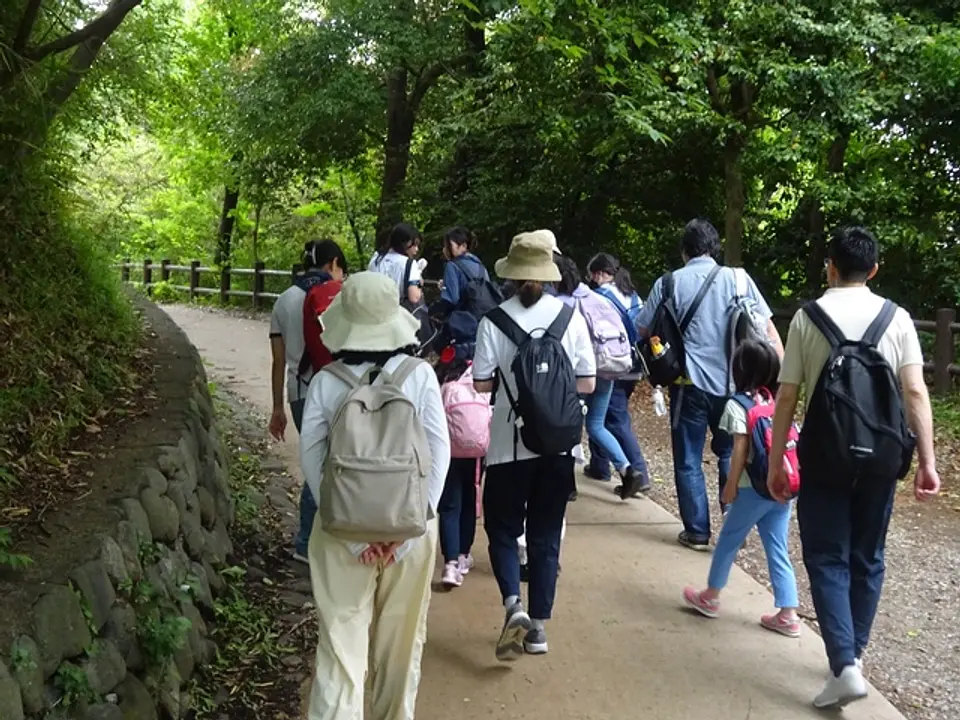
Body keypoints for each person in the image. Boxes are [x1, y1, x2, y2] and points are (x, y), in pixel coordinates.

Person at [766, 226, 940, 709]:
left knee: (827, 556)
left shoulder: (808, 318)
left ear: (830, 267)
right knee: (868, 556)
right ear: (874, 269)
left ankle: (844, 664)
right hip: (882, 456)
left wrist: (778, 458)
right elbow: (915, 391)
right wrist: (927, 461)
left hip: (825, 453)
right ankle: (853, 657)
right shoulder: (896, 317)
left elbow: (787, 396)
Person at [299, 271, 450, 720]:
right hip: (412, 534)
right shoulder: (420, 376)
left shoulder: (326, 382)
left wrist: (353, 535)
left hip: (339, 534)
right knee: (401, 649)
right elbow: (439, 453)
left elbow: (312, 460)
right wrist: (409, 529)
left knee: (339, 654)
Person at [473, 231, 595, 660]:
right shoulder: (570, 318)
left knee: (503, 529)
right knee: (545, 534)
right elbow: (587, 381)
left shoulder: (492, 321)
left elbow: (481, 383)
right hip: (558, 447)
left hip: (508, 446)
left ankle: (513, 604)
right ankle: (539, 629)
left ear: (510, 275)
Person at [635, 219, 783, 551]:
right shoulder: (739, 279)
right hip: (735, 385)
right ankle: (734, 525)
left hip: (688, 385)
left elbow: (643, 328)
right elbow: (766, 329)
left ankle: (697, 532)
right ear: (714, 248)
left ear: (684, 251)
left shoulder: (668, 283)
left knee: (688, 458)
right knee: (731, 452)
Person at [682, 339, 800, 636]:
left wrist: (731, 486)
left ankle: (710, 596)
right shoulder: (776, 400)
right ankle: (788, 612)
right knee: (777, 545)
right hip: (781, 485)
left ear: (740, 369)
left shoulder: (738, 404)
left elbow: (739, 449)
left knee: (728, 540)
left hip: (752, 488)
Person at [268, 239, 347, 563]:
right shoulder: (339, 296)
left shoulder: (284, 299)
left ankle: (310, 539)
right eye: (341, 268)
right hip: (338, 390)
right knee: (335, 465)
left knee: (318, 462)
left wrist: (277, 407)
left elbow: (278, 360)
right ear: (333, 263)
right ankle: (312, 540)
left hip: (300, 392)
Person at [555, 255, 646, 498]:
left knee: (568, 424)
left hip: (579, 372)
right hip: (607, 366)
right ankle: (628, 470)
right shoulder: (595, 296)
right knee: (596, 424)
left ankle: (567, 484)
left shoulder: (561, 303)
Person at [585, 253, 652, 497]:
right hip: (633, 364)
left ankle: (638, 473)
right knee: (602, 415)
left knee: (615, 419)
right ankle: (599, 465)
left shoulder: (600, 297)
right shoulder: (632, 294)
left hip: (612, 364)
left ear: (599, 274)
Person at [436, 350, 486, 589]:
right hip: (476, 453)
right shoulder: (482, 382)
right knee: (469, 502)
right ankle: (464, 555)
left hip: (449, 452)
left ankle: (450, 563)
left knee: (449, 506)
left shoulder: (445, 384)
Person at [431, 226, 499, 360]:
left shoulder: (452, 266)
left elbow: (451, 300)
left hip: (462, 328)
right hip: (483, 325)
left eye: (449, 245)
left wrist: (432, 311)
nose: (445, 250)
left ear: (463, 246)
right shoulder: (480, 266)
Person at [368, 222, 424, 305]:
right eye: (414, 245)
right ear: (406, 243)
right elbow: (414, 297)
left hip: (372, 306)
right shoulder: (409, 263)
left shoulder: (376, 258)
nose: (416, 249)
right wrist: (419, 283)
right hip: (394, 309)